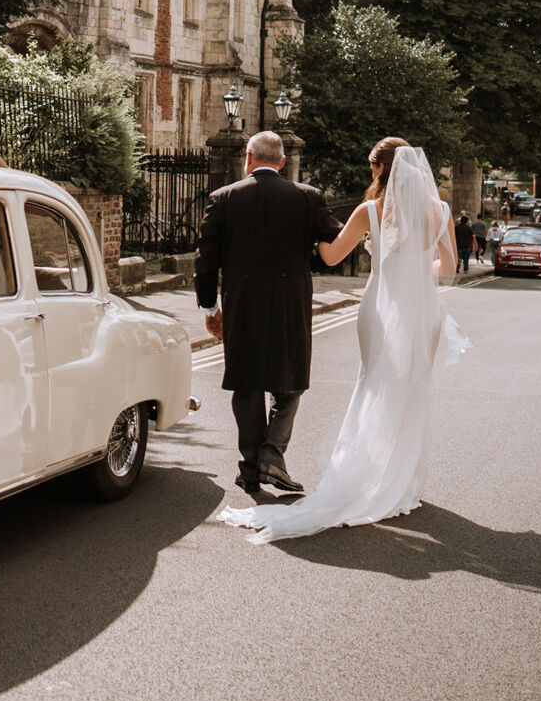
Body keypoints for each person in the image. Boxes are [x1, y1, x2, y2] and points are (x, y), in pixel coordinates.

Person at [217, 138, 469, 544]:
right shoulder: (439, 211)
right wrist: (416, 267)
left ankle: (365, 477)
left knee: (374, 385)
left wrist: (318, 241)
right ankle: (402, 482)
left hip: (380, 308)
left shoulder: (371, 210)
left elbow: (332, 256)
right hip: (423, 313)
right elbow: (449, 267)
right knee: (411, 391)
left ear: (379, 170)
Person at [194, 131, 343, 496]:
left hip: (242, 303)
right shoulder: (309, 198)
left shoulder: (222, 198)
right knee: (290, 383)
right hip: (291, 303)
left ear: (248, 158)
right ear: (281, 162)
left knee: (247, 386)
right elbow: (336, 246)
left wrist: (211, 307)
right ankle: (272, 455)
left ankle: (251, 467)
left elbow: (205, 260)